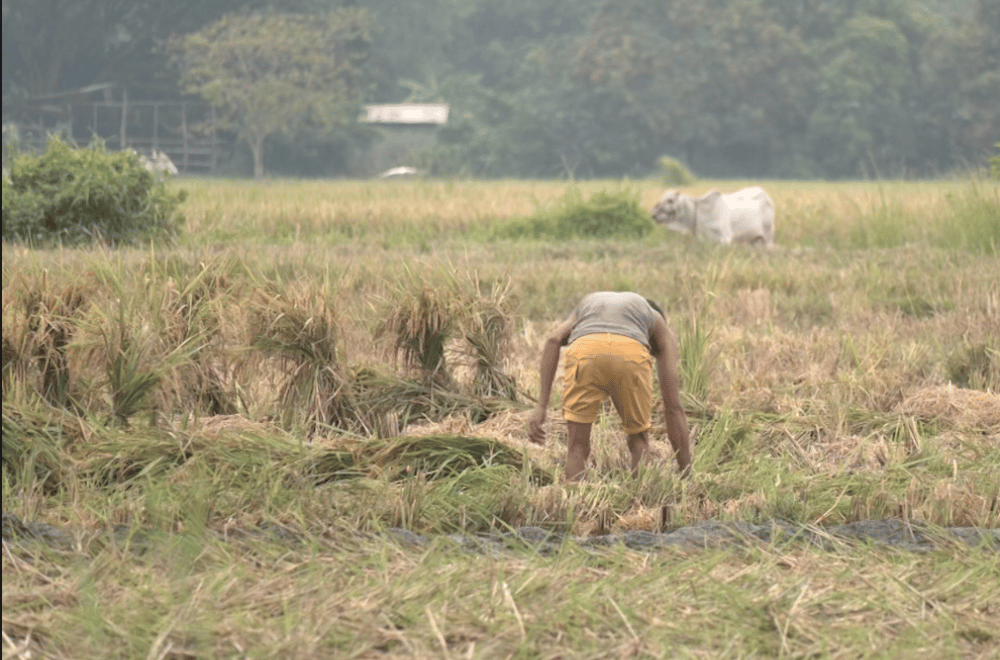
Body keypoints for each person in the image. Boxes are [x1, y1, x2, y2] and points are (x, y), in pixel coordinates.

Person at [527, 291, 693, 481]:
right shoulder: (656, 320)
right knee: (639, 440)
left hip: (585, 350)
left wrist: (541, 407)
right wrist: (686, 470)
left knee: (577, 446)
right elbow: (673, 407)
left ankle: (573, 503)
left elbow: (553, 339)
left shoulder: (590, 304)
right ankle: (641, 504)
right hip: (629, 355)